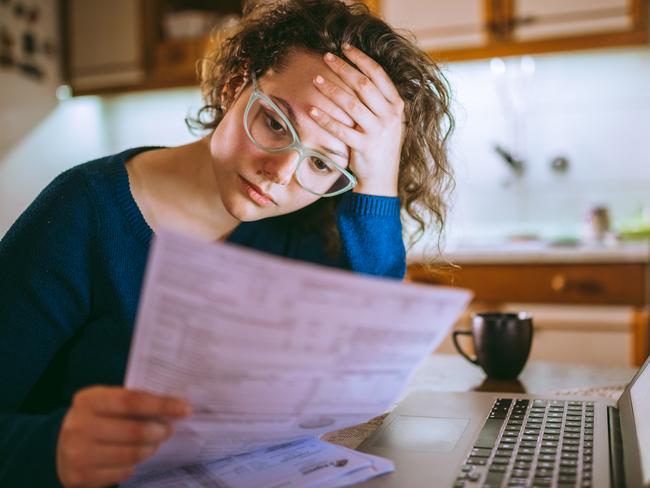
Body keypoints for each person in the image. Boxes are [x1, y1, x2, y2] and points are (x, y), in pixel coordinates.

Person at [0, 0, 453, 486]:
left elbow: (371, 364)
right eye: (276, 123)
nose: (280, 174)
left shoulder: (310, 229)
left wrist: (378, 178)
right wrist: (54, 447)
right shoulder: (83, 211)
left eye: (322, 164)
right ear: (238, 82)